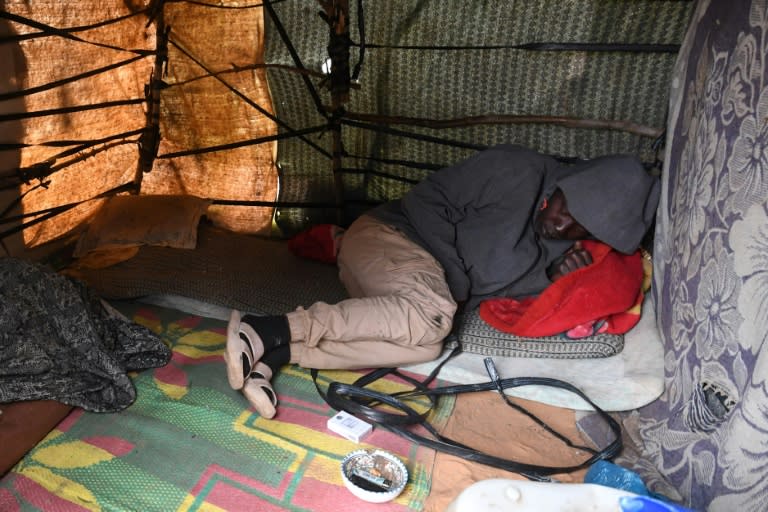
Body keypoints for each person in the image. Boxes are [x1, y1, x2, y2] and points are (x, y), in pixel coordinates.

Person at [223, 144, 661, 418]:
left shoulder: (561, 251)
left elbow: (503, 296)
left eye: (582, 229)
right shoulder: (518, 172)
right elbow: (429, 203)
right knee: (433, 318)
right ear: (568, 184)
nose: (564, 227)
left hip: (403, 300)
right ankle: (267, 327)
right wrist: (448, 282)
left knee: (429, 344)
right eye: (568, 210)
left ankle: (279, 354)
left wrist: (552, 280)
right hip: (387, 238)